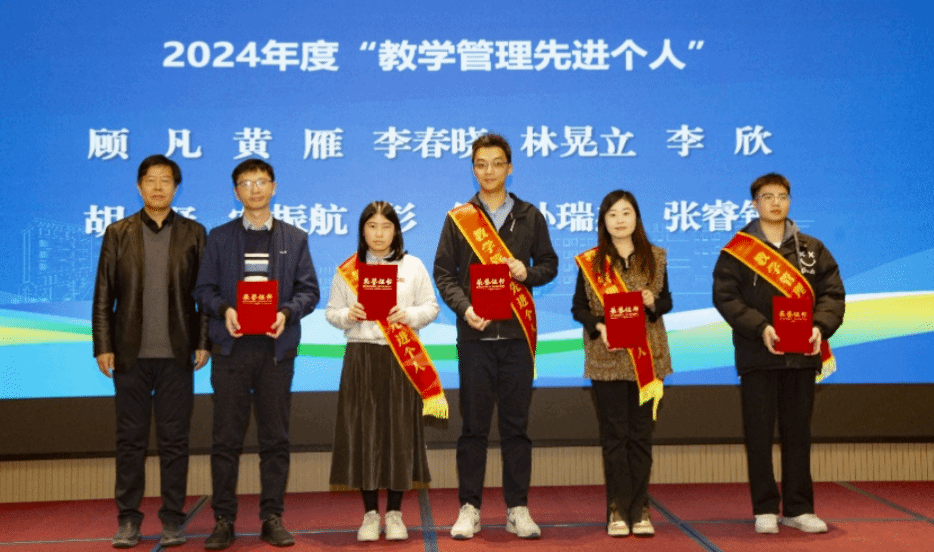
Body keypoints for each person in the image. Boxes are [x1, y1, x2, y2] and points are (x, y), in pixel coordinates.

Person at [434, 133, 558, 540]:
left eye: (497, 163)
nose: (489, 171)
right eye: (481, 164)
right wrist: (464, 308)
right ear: (474, 169)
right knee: (473, 427)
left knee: (516, 427)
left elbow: (550, 265)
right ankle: (469, 507)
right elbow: (443, 274)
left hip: (517, 338)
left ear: (510, 167)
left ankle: (517, 508)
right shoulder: (459, 218)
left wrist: (527, 272)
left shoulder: (529, 216)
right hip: (475, 339)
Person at [193, 159, 319, 549]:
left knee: (275, 438)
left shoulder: (295, 238)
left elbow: (309, 291)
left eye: (261, 181)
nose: (255, 188)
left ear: (274, 187)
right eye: (246, 183)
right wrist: (224, 310)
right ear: (236, 192)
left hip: (275, 351)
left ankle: (271, 517)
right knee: (225, 439)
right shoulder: (219, 238)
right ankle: (223, 520)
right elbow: (203, 291)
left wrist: (286, 313)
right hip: (231, 350)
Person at [712, 173, 845, 535]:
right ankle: (765, 508)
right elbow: (725, 297)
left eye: (782, 196)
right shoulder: (737, 250)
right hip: (758, 354)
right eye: (767, 196)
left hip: (802, 355)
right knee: (758, 435)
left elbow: (832, 294)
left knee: (798, 434)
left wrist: (819, 327)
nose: (775, 202)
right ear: (754, 203)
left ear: (790, 201)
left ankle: (799, 508)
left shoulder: (812, 249)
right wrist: (760, 327)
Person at [92, 154, 210, 548]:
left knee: (175, 441)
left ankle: (173, 520)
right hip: (130, 356)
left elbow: (205, 295)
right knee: (131, 441)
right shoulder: (118, 233)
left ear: (176, 188)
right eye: (150, 179)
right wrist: (103, 345)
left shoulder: (194, 233)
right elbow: (103, 294)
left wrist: (203, 341)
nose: (158, 187)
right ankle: (128, 520)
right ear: (139, 186)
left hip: (178, 355)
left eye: (166, 180)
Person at [325, 201, 441, 542]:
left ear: (396, 230)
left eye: (386, 226)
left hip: (400, 359)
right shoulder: (349, 269)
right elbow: (331, 312)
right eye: (372, 226)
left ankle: (395, 513)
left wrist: (408, 315)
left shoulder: (413, 266)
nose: (379, 234)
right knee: (364, 433)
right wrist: (348, 315)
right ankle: (370, 515)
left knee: (398, 434)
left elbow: (431, 307)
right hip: (361, 356)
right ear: (363, 231)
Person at [571, 190, 673, 538]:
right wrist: (598, 326)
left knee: (641, 436)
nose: (619, 220)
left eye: (626, 213)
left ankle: (640, 507)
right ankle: (617, 507)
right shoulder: (591, 262)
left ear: (636, 218)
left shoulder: (656, 257)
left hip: (648, 357)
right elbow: (579, 308)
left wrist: (652, 301)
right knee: (615, 436)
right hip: (607, 358)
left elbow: (667, 302)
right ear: (603, 221)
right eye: (612, 214)